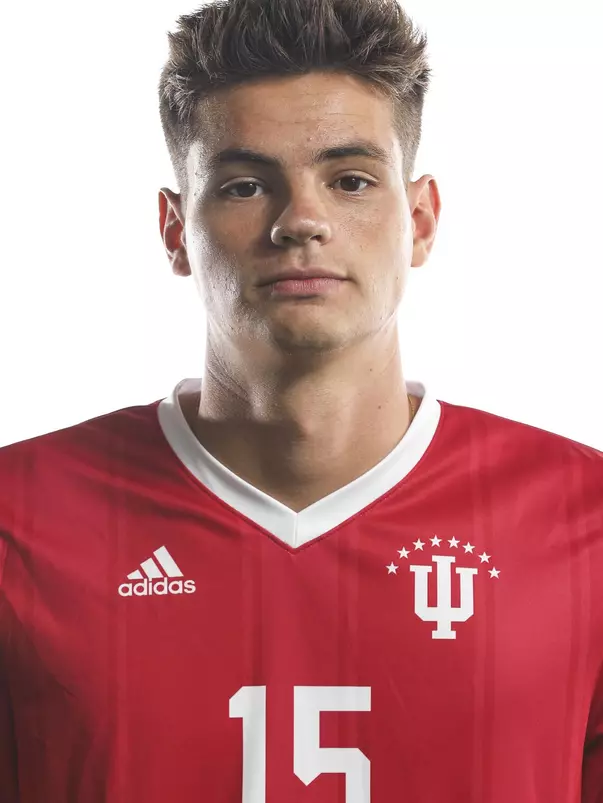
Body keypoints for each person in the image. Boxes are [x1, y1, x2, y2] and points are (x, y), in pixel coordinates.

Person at [1, 0, 602, 800]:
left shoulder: (583, 519)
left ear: (420, 220)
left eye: (349, 180)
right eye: (247, 185)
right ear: (176, 230)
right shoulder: (19, 518)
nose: (301, 220)